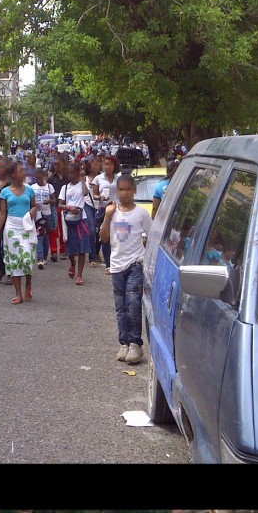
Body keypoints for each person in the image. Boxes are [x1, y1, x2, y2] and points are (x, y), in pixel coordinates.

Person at [99, 174, 152, 365]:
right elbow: (104, 238)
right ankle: (124, 343)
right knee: (120, 307)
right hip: (116, 265)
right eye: (121, 189)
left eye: (128, 189)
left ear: (134, 190)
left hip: (135, 264)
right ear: (116, 191)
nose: (124, 193)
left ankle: (135, 344)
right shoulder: (112, 212)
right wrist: (107, 217)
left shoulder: (141, 214)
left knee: (133, 303)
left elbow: (152, 236)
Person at [0, 162, 37, 304]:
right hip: (11, 227)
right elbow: (2, 213)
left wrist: (33, 211)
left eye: (24, 171)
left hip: (26, 227)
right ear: (13, 174)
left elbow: (34, 207)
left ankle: (28, 285)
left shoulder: (29, 190)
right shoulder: (5, 192)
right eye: (20, 171)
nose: (23, 173)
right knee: (14, 260)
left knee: (27, 258)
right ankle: (18, 293)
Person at [58, 162, 89, 284]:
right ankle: (72, 263)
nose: (70, 175)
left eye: (73, 172)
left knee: (82, 247)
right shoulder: (65, 188)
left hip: (81, 219)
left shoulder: (82, 185)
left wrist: (82, 180)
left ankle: (79, 274)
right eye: (69, 173)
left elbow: (85, 193)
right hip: (69, 220)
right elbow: (60, 204)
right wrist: (69, 207)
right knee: (70, 249)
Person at [93, 155, 120, 270]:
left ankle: (116, 261)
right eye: (106, 164)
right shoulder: (98, 178)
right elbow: (94, 195)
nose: (108, 166)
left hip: (117, 209)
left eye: (110, 164)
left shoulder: (118, 179)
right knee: (104, 237)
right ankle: (108, 265)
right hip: (103, 210)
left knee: (117, 236)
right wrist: (100, 198)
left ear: (115, 166)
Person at [31, 166, 55, 270]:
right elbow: (29, 200)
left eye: (40, 178)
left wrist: (49, 201)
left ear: (44, 177)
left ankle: (45, 255)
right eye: (36, 178)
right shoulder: (32, 187)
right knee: (39, 235)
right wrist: (34, 205)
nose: (38, 180)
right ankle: (39, 259)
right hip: (38, 214)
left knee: (46, 235)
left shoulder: (49, 187)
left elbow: (55, 200)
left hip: (47, 213)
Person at [48, 157, 68, 262]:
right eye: (54, 164)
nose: (56, 166)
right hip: (54, 207)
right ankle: (54, 251)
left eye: (58, 164)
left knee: (63, 229)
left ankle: (63, 250)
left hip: (65, 206)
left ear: (63, 164)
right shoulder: (51, 179)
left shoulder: (68, 178)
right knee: (53, 229)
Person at [81, 159, 99, 268]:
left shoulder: (102, 178)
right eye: (93, 165)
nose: (95, 167)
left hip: (100, 205)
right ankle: (92, 257)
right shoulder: (85, 179)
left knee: (99, 232)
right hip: (88, 205)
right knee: (91, 230)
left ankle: (97, 251)